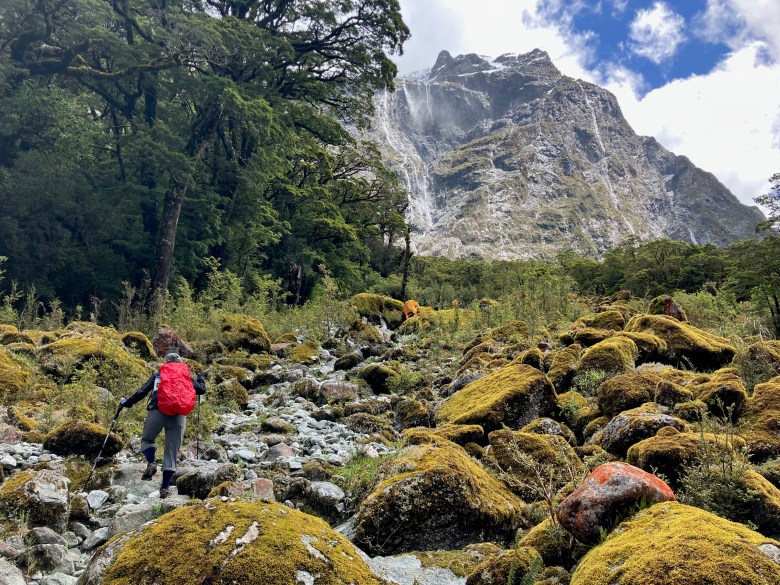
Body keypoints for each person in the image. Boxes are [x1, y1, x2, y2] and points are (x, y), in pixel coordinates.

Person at [120, 353, 206, 498]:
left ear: (166, 363)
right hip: (179, 416)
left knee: (147, 440)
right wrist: (201, 378)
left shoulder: (159, 376)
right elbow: (201, 390)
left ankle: (152, 462)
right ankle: (164, 488)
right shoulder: (186, 378)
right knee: (171, 451)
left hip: (157, 412)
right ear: (180, 363)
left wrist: (126, 402)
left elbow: (142, 392)